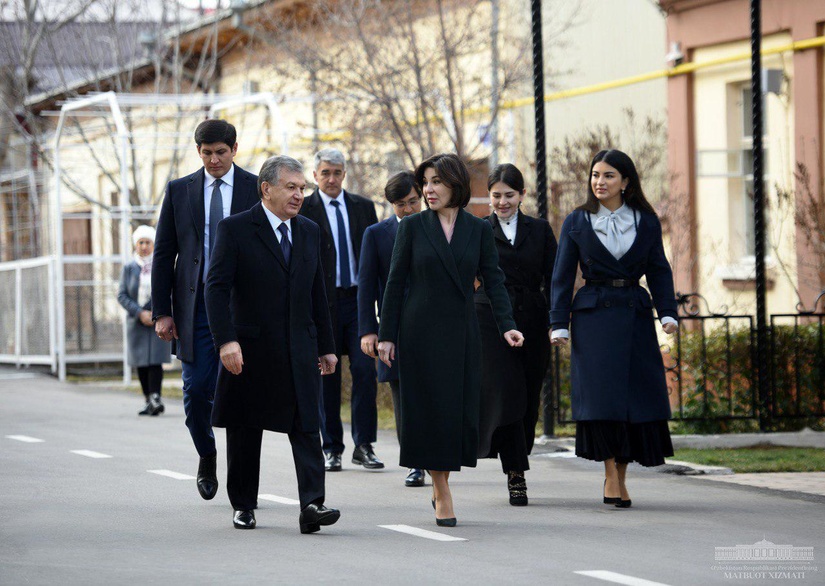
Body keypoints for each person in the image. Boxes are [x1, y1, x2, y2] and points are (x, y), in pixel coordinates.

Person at [377, 153, 524, 527]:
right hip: (418, 332)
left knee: (453, 411)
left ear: (455, 185)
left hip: (461, 331)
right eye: (424, 182)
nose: (428, 189)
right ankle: (441, 490)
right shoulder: (411, 227)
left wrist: (506, 323)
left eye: (436, 182)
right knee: (427, 413)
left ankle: (441, 480)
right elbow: (394, 285)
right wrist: (387, 336)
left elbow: (493, 280)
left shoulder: (478, 230)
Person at [205, 155, 341, 533]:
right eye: (291, 187)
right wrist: (226, 340)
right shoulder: (234, 229)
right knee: (246, 427)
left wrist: (326, 346)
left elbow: (318, 291)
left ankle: (312, 504)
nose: (299, 195)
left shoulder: (310, 230)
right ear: (266, 189)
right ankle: (243, 504)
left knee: (306, 425)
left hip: (300, 345)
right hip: (249, 348)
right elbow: (215, 289)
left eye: (302, 188)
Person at [550, 149, 678, 508]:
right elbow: (561, 276)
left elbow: (659, 269)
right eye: (595, 175)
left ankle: (622, 475)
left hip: (635, 315)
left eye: (608, 176)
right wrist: (558, 323)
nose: (599, 182)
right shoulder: (576, 221)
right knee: (602, 401)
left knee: (634, 400)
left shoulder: (646, 221)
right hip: (593, 319)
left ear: (625, 181)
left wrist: (668, 312)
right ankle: (610, 475)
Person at [152, 119, 259, 501]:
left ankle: (243, 486)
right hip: (194, 306)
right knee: (197, 392)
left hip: (244, 305)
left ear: (234, 149)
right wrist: (162, 310)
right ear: (198, 151)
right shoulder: (180, 190)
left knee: (243, 398)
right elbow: (165, 253)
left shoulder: (255, 186)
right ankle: (207, 453)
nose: (214, 159)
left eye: (221, 152)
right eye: (206, 152)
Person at [475, 164, 557, 506]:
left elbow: (556, 278)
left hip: (534, 321)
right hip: (492, 322)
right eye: (496, 196)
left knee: (530, 398)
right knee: (508, 395)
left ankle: (519, 456)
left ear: (522, 195)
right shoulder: (479, 229)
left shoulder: (539, 230)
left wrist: (557, 320)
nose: (502, 202)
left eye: (509, 195)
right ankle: (515, 473)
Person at [299, 148, 381, 472]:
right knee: (327, 377)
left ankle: (364, 445)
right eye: (325, 173)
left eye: (337, 172)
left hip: (358, 302)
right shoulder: (304, 208)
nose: (331, 179)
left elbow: (374, 256)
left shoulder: (363, 207)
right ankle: (331, 447)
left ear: (344, 174)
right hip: (322, 303)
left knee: (364, 371)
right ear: (315, 175)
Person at [357, 171, 425, 488]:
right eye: (401, 204)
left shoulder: (436, 227)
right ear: (391, 204)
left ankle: (436, 457)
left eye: (414, 201)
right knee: (403, 398)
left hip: (431, 324)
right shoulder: (376, 234)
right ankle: (414, 462)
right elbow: (366, 286)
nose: (409, 209)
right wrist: (368, 331)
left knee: (431, 395)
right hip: (394, 329)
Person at [117, 225, 171, 416]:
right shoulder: (129, 268)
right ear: (136, 244)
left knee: (156, 360)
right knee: (141, 361)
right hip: (137, 321)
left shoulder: (159, 264)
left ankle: (156, 396)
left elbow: (166, 289)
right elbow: (122, 295)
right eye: (141, 242)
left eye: (148, 242)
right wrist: (139, 313)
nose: (144, 246)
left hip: (157, 319)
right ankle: (148, 399)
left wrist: (154, 312)